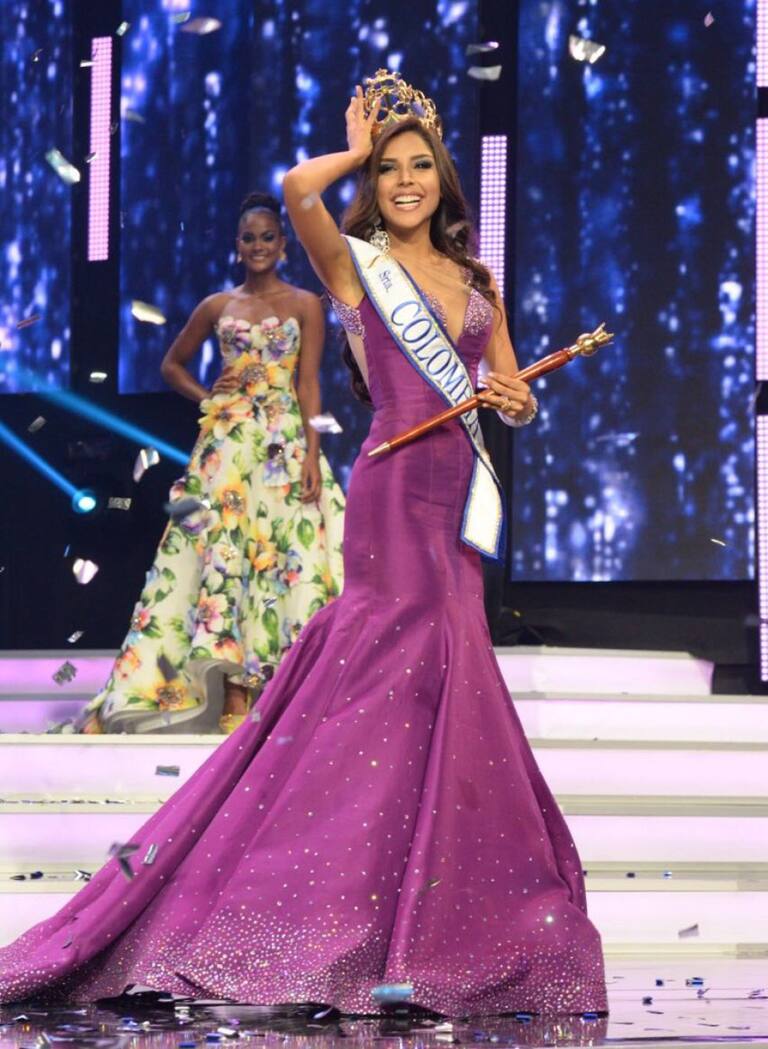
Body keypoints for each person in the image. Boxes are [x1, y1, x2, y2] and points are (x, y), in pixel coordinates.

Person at [0, 75, 606, 1017]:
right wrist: (355, 151)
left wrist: (518, 398)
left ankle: (424, 916)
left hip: (456, 501)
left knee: (446, 679)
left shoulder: (478, 282)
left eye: (419, 167)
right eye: (389, 170)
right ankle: (324, 904)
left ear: (445, 179)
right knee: (385, 676)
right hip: (391, 496)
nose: (405, 182)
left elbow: (508, 389)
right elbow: (296, 190)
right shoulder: (356, 265)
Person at [76, 192, 345, 735]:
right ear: (237, 245)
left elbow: (309, 385)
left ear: (283, 244)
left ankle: (277, 689)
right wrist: (208, 397)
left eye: (267, 236)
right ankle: (233, 694)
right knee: (223, 558)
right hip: (226, 449)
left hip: (283, 448)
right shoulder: (218, 305)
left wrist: (313, 455)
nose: (258, 245)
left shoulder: (305, 304)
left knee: (283, 558)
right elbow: (171, 365)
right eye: (249, 237)